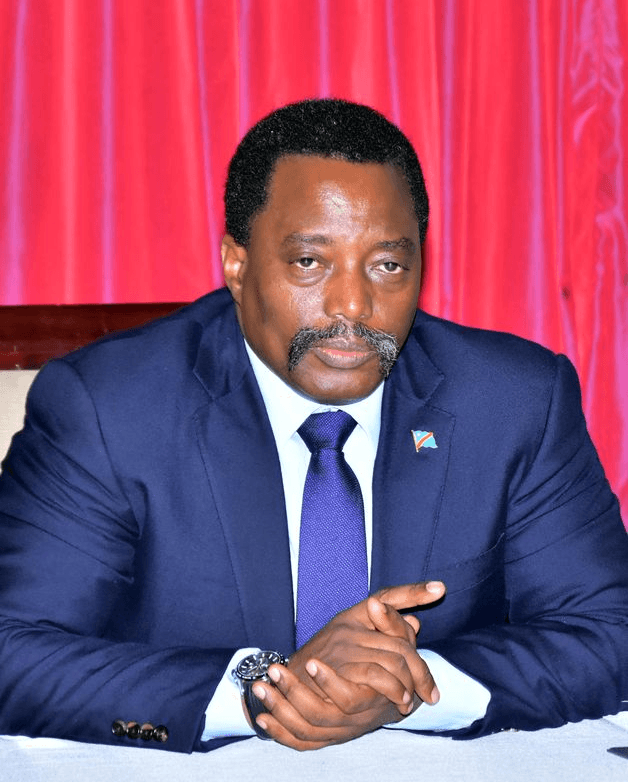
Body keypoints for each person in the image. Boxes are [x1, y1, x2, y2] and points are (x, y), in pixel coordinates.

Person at [0, 100, 626, 754]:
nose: (353, 306)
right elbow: (13, 649)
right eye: (309, 263)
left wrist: (408, 685)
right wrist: (264, 685)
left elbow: (608, 631)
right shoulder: (110, 408)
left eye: (387, 264)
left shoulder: (513, 401)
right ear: (237, 266)